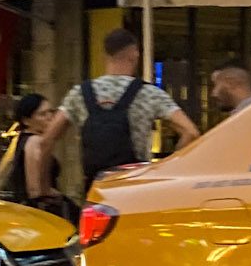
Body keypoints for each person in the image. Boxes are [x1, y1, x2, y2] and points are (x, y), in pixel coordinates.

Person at [40, 28, 200, 190]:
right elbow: (191, 132)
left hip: (96, 189)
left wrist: (43, 187)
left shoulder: (80, 93)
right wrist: (166, 168)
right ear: (135, 54)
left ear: (105, 55)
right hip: (133, 188)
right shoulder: (149, 93)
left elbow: (46, 140)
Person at [8, 93, 76, 222]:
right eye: (42, 114)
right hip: (39, 215)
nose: (49, 118)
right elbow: (35, 189)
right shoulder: (34, 142)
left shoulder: (25, 140)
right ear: (26, 120)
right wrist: (61, 199)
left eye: (51, 112)